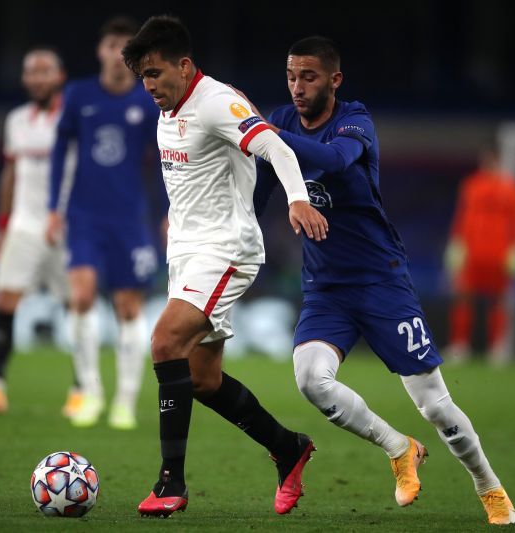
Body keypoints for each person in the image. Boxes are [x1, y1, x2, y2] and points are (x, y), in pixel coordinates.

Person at [249, 37, 515, 525]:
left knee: (435, 405)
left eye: (308, 76)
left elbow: (332, 161)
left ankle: (488, 484)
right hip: (326, 288)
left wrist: (265, 134)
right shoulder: (282, 123)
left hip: (380, 282)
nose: (297, 87)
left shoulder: (356, 120)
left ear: (334, 79)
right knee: (310, 379)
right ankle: (399, 448)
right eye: (291, 76)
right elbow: (258, 193)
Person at [120, 15, 329, 517]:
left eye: (155, 74)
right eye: (143, 77)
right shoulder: (167, 107)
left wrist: (296, 200)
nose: (149, 86)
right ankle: (288, 446)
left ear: (185, 65)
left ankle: (171, 483)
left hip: (226, 251)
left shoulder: (216, 102)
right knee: (202, 379)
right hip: (188, 251)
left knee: (165, 341)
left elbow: (274, 145)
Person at [46, 16, 165, 430]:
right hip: (84, 216)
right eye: (111, 45)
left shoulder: (146, 104)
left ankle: (125, 402)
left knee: (128, 307)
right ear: (100, 50)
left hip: (130, 219)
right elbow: (60, 152)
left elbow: (166, 162)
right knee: (81, 297)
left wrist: (168, 211)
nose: (117, 55)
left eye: (125, 48)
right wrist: (52, 208)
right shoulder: (78, 95)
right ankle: (91, 393)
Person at [0, 47, 77, 414]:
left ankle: (83, 390)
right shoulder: (17, 121)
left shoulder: (75, 119)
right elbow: (9, 173)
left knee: (76, 308)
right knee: (4, 301)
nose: (37, 77)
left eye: (45, 71)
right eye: (31, 71)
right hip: (24, 226)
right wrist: (2, 225)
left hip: (66, 227)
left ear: (60, 77)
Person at [443, 148, 515, 364]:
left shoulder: (512, 188)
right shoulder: (471, 184)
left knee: (498, 300)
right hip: (472, 251)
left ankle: (497, 348)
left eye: (492, 158)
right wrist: (456, 242)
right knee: (463, 296)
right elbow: (463, 215)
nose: (488, 162)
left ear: (499, 160)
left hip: (499, 253)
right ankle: (460, 345)